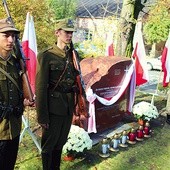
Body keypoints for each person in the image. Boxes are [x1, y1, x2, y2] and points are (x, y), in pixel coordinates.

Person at [36, 18, 81, 170]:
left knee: (60, 143)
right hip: (53, 108)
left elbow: (75, 80)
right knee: (49, 145)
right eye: (66, 32)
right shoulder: (46, 55)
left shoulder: (72, 54)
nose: (70, 35)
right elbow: (41, 87)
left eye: (71, 32)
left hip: (67, 106)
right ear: (57, 32)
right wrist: (42, 116)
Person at [0, 18, 34, 170]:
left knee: (9, 165)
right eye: (5, 35)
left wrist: (24, 101)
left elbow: (18, 92)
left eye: (13, 36)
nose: (10, 40)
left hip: (14, 128)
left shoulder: (16, 63)